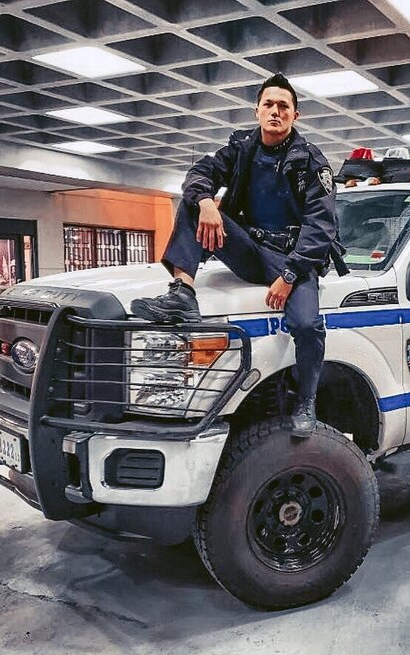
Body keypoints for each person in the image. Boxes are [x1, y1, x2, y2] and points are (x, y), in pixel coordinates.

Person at [131, 73, 345, 437]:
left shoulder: (312, 161)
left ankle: (306, 401)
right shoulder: (242, 147)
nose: (275, 111)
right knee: (193, 202)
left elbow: (320, 227)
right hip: (249, 248)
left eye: (283, 106)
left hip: (292, 259)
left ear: (295, 115)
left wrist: (289, 276)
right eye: (268, 104)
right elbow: (200, 172)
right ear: (256, 110)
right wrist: (206, 202)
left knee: (307, 326)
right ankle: (182, 293)